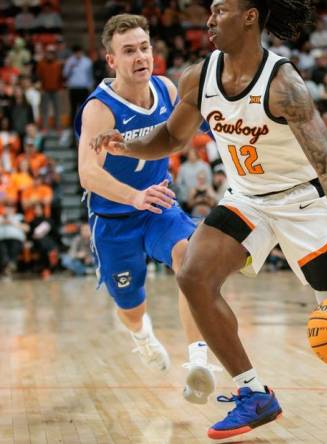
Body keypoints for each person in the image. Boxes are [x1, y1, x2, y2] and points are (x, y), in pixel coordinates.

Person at [93, 4, 327, 439]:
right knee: (193, 274)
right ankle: (254, 393)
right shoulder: (198, 77)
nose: (210, 19)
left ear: (250, 17)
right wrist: (128, 143)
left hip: (304, 204)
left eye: (221, 10)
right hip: (248, 199)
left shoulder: (284, 86)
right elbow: (171, 137)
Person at [75, 14, 216, 406]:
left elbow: (188, 132)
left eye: (144, 47)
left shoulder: (167, 89)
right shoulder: (99, 110)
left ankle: (198, 362)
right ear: (111, 61)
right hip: (114, 220)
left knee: (189, 258)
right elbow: (87, 174)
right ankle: (142, 336)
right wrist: (132, 196)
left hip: (158, 206)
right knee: (132, 309)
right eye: (129, 51)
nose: (140, 57)